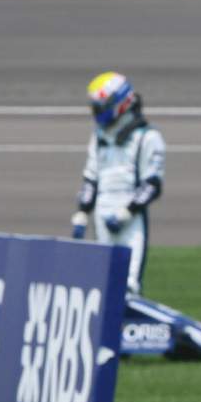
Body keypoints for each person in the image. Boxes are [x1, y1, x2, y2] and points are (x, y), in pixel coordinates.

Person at [69, 71, 165, 294]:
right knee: (104, 282)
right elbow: (91, 178)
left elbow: (152, 184)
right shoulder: (99, 138)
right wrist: (83, 212)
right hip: (102, 214)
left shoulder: (147, 137)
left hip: (130, 219)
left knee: (129, 285)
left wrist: (127, 212)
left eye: (101, 106)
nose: (97, 112)